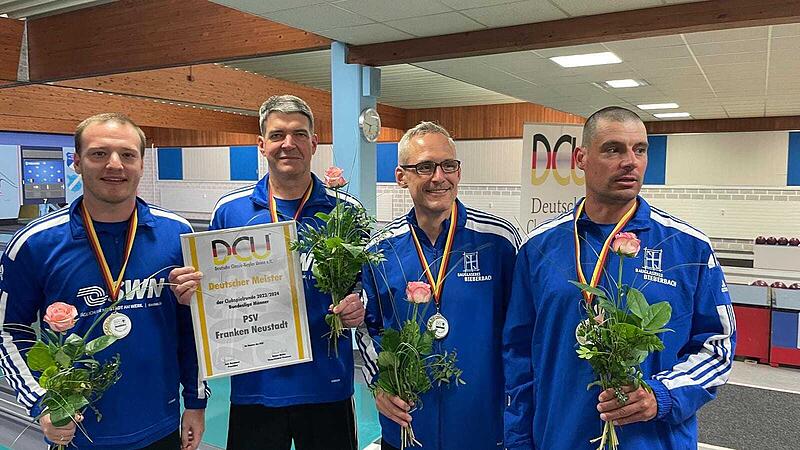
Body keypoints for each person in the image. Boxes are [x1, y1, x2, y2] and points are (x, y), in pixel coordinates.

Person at [503, 106, 736, 450]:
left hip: (652, 441)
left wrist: (662, 395)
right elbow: (518, 355)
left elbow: (718, 346)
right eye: (613, 149)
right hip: (561, 438)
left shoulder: (687, 248)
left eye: (639, 150)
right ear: (581, 158)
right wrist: (519, 441)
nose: (630, 161)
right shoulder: (539, 250)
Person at [0, 113, 207, 450]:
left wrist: (196, 403)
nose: (115, 165)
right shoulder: (36, 243)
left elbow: (192, 327)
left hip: (160, 425)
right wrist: (42, 404)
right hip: (78, 430)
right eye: (99, 154)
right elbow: (9, 330)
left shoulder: (176, 233)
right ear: (77, 162)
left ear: (141, 163)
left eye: (127, 155)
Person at [169, 94, 365, 450]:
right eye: (277, 135)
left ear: (314, 143)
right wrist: (192, 295)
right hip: (256, 387)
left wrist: (358, 307)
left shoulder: (346, 211)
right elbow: (214, 293)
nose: (288, 144)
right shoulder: (230, 211)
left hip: (327, 385)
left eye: (299, 134)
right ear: (262, 145)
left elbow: (365, 285)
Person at [357, 122, 521, 449]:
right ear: (401, 176)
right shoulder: (379, 250)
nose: (438, 177)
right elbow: (366, 327)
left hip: (482, 428)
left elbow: (522, 331)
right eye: (425, 167)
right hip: (407, 429)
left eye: (449, 165)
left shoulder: (499, 241)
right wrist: (379, 384)